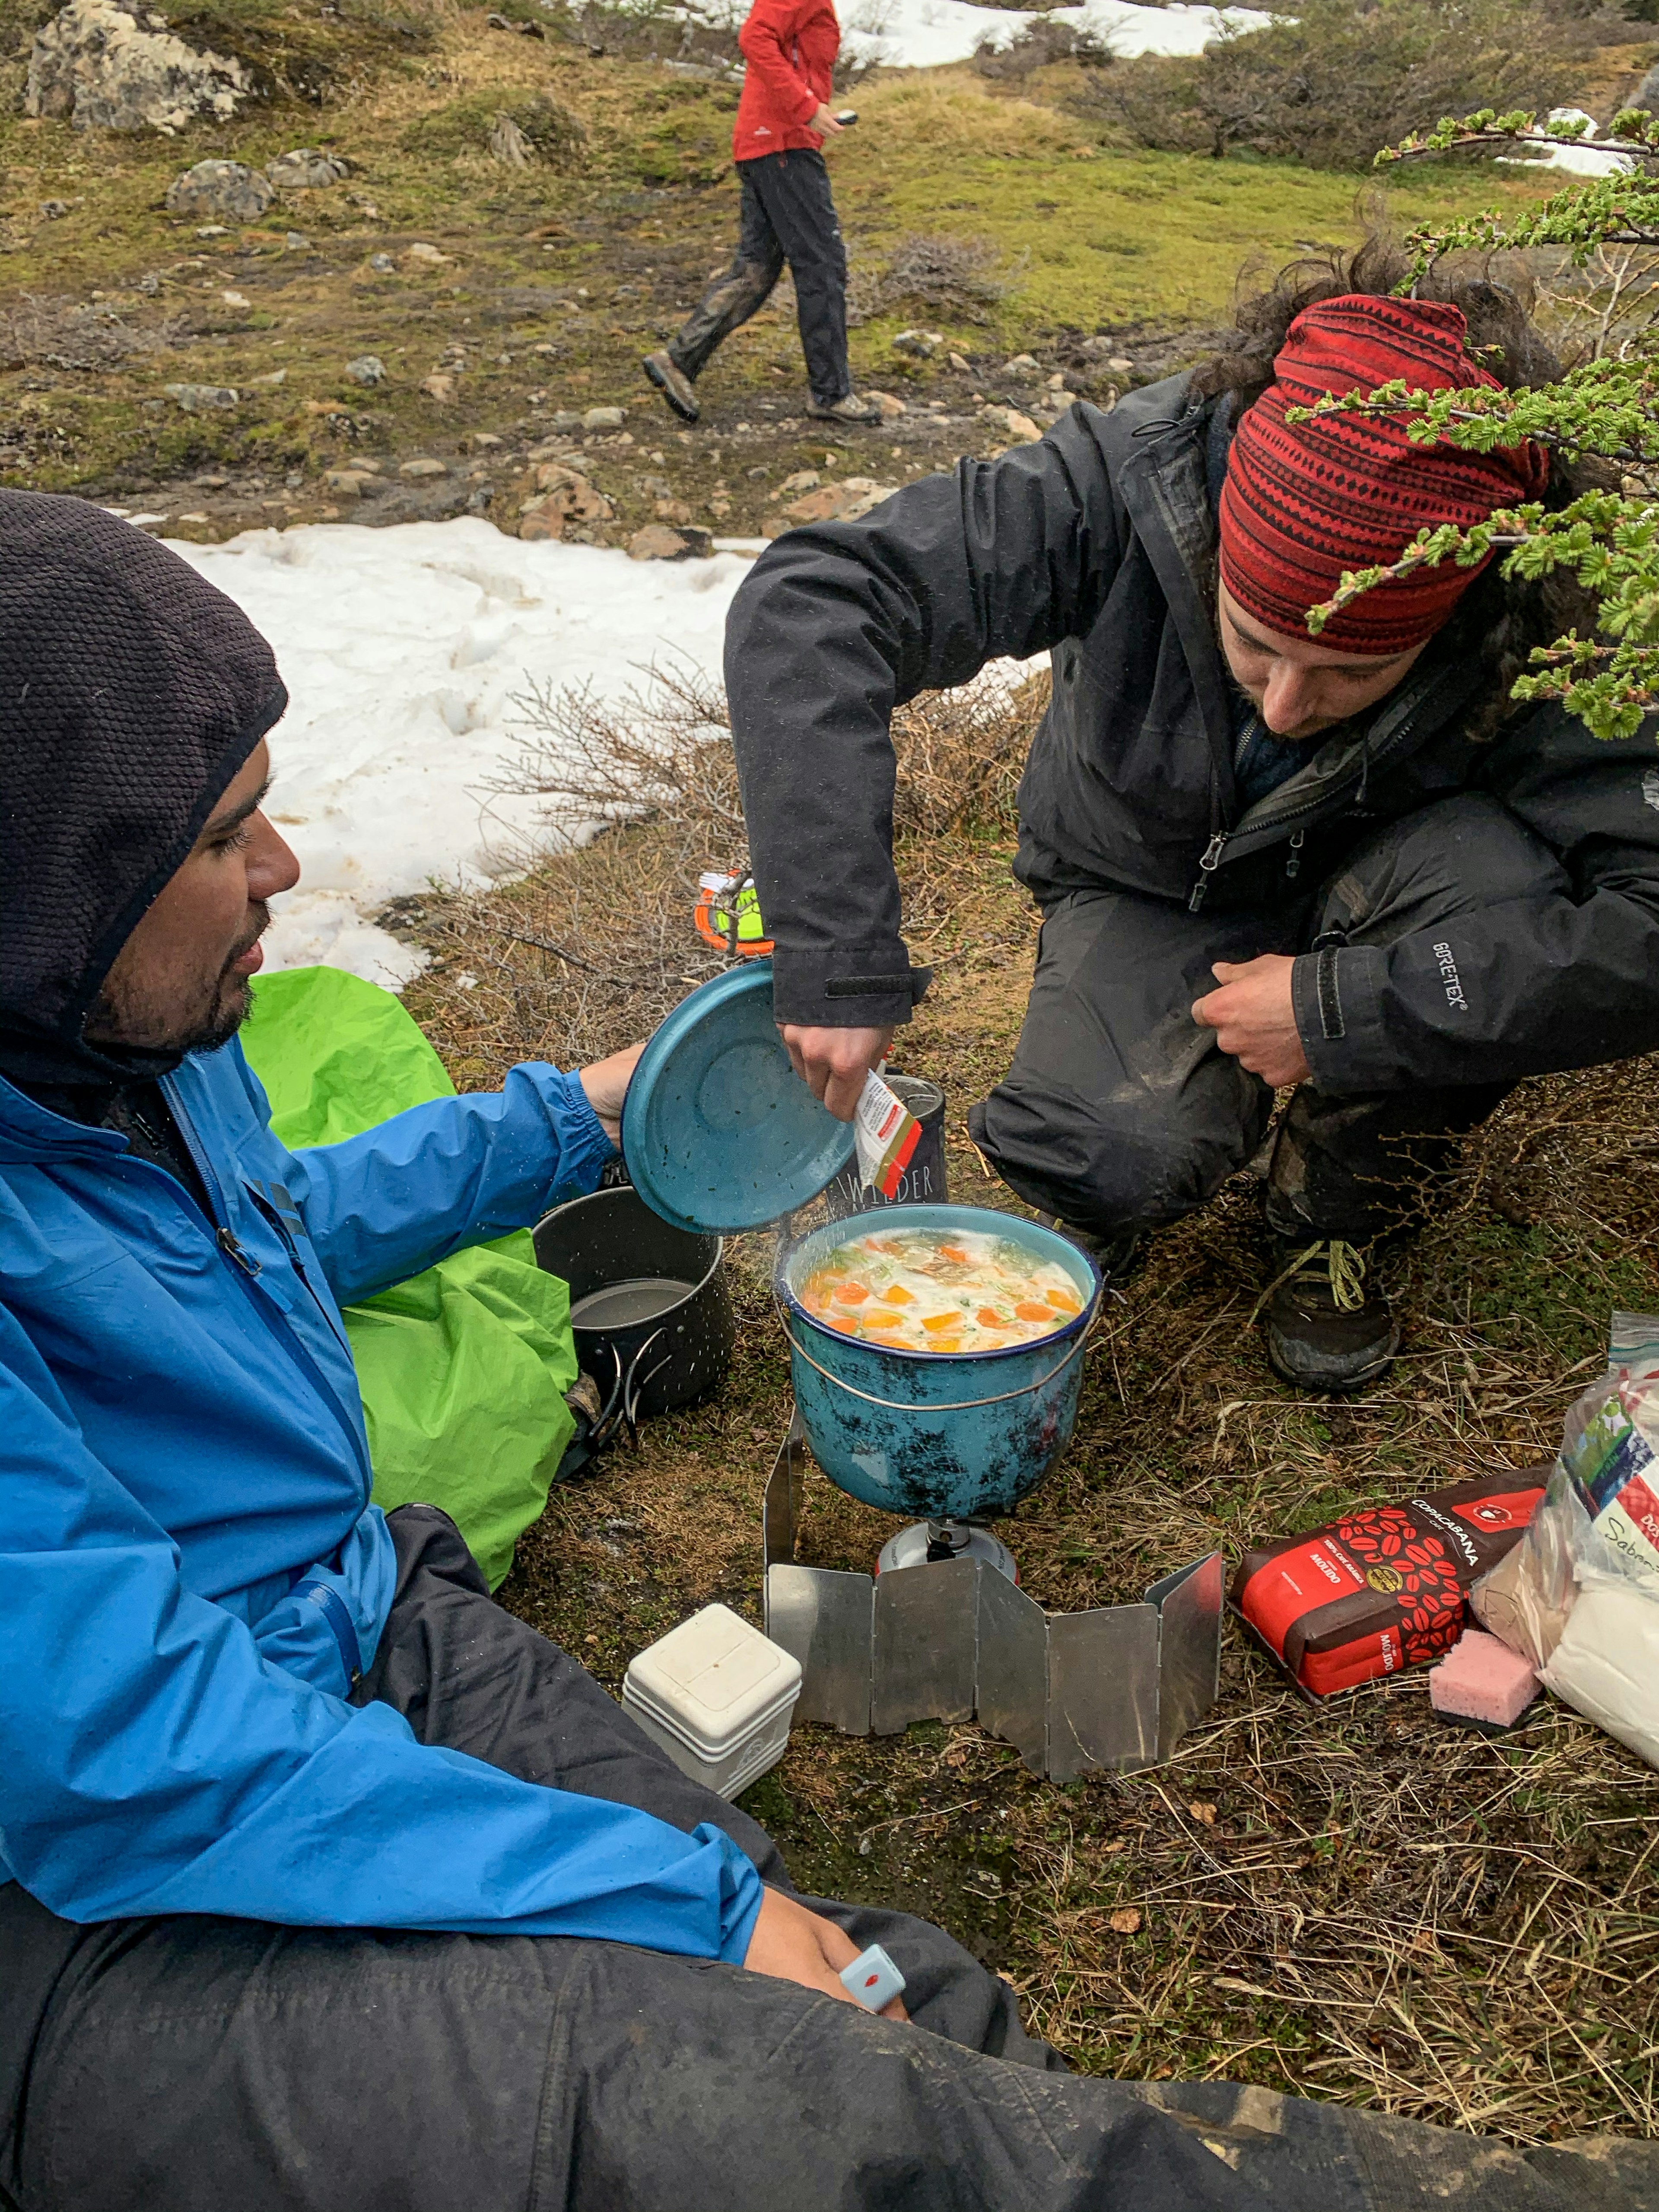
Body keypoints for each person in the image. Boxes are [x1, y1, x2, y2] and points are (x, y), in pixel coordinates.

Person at [0, 490, 1274, 2212]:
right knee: (742, 2081)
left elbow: (266, 1216)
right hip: (99, 1898)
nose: (287, 870)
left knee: (853, 1969)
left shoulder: (115, 1039)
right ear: (46, 897)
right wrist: (688, 1911)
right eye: (224, 839)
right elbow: (137, 1753)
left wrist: (584, 1115)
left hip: (349, 1616)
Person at [723, 246, 1659, 1393]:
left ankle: (1340, 1213)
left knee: (1497, 893)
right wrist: (834, 951)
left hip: (1406, 900)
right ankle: (1183, 1104)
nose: (1285, 705)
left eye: (1354, 674)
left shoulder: (1545, 589)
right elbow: (817, 599)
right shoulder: (1132, 480)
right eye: (1256, 646)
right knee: (1104, 1161)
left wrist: (1345, 1010)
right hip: (1152, 884)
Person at [641, 0, 881, 427]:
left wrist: (812, 109)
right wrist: (807, 108)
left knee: (757, 269)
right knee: (822, 265)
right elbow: (755, 38)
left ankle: (679, 360)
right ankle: (830, 394)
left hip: (767, 144)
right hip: (783, 145)